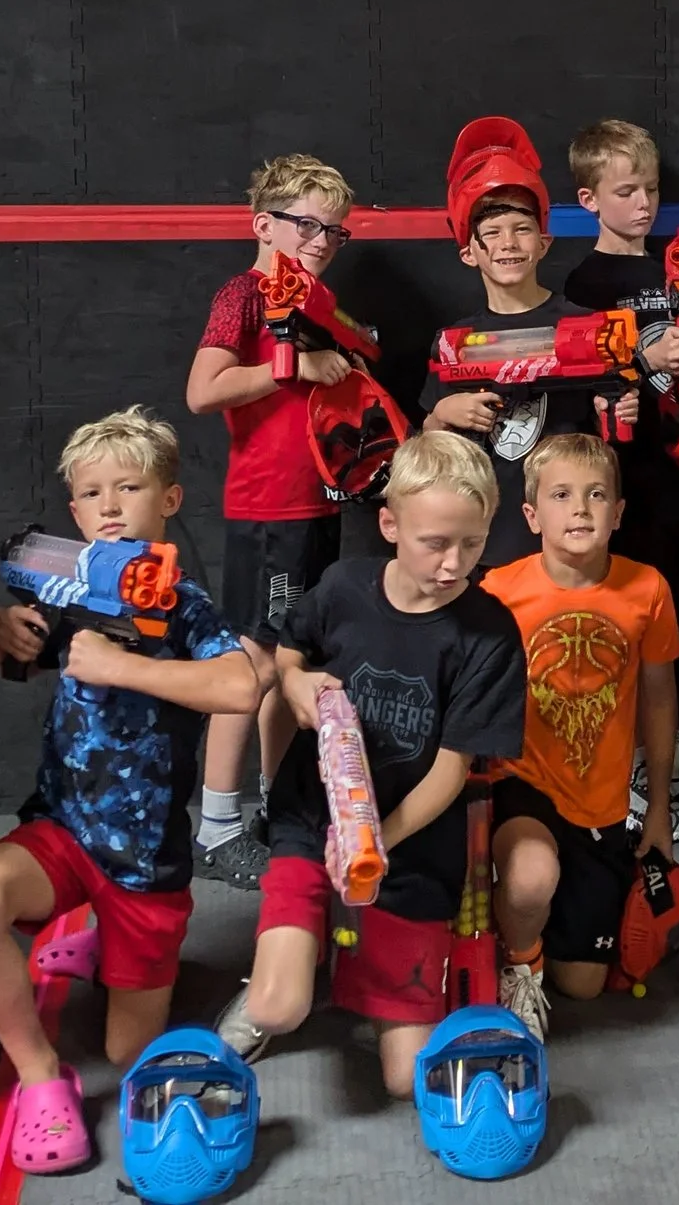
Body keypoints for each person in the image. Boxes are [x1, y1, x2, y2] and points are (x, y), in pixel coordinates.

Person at [0, 409, 264, 1175]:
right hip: (60, 830)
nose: (112, 505)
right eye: (92, 493)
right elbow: (22, 648)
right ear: (75, 511)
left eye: (131, 486)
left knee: (127, 1050)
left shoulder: (181, 605)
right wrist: (4, 630)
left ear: (171, 499)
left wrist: (126, 667)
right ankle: (36, 1072)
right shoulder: (69, 581)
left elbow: (243, 682)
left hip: (144, 858)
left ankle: (107, 941)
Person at [215, 433, 527, 1097]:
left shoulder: (490, 634)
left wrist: (376, 838)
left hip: (410, 845)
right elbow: (292, 656)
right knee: (278, 1005)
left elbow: (450, 772)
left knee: (402, 1079)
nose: (453, 563)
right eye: (434, 542)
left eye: (471, 544)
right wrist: (298, 686)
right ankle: (308, 945)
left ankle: (347, 941)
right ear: (390, 524)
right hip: (311, 812)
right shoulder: (345, 584)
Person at [184, 154, 364, 886]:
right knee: (254, 663)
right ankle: (218, 824)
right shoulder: (245, 293)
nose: (322, 238)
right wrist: (294, 368)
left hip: (314, 504)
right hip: (268, 510)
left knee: (291, 661)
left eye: (335, 230)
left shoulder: (313, 301)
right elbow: (203, 389)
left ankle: (271, 806)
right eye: (308, 223)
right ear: (264, 224)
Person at [482, 433, 679, 1039]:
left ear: (618, 513)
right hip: (521, 784)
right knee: (531, 876)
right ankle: (517, 960)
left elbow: (660, 697)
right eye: (562, 495)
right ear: (531, 514)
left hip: (601, 805)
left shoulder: (647, 589)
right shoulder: (498, 592)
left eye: (597, 495)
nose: (580, 509)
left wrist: (661, 809)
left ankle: (533, 926)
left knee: (584, 986)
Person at [421, 116, 639, 570]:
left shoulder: (587, 327)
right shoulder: (454, 343)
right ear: (469, 252)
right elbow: (428, 446)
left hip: (568, 543)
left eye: (522, 230)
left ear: (543, 242)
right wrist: (444, 415)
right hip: (486, 541)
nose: (509, 244)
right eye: (493, 233)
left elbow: (614, 434)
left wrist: (616, 416)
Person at [559, 117, 679, 624]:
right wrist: (648, 361)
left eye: (650, 189)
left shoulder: (672, 267)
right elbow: (582, 375)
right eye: (626, 192)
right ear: (590, 200)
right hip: (629, 457)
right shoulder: (585, 283)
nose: (643, 203)